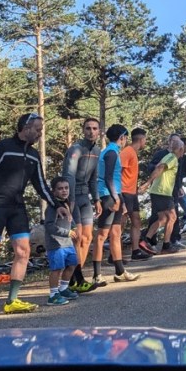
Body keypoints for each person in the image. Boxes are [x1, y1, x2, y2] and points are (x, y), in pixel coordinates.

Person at [0, 112, 68, 319]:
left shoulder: (34, 155)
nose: (40, 134)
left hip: (17, 208)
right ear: (26, 128)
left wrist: (57, 204)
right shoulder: (2, 148)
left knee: (24, 251)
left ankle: (12, 301)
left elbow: (40, 184)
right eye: (38, 129)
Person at [62, 118, 102, 292]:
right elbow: (68, 175)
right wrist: (69, 200)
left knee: (87, 238)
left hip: (85, 195)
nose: (91, 131)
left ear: (99, 131)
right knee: (76, 237)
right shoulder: (76, 149)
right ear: (83, 130)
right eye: (88, 128)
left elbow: (94, 178)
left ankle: (77, 278)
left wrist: (97, 199)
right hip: (73, 196)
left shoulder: (97, 151)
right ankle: (72, 279)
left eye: (94, 128)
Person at [95, 124, 139, 283]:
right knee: (102, 235)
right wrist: (116, 197)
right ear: (122, 137)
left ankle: (120, 271)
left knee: (115, 233)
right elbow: (108, 177)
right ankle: (96, 275)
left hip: (113, 194)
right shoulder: (112, 153)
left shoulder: (111, 151)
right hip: (108, 195)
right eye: (125, 137)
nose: (125, 140)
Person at [140, 135, 184, 254]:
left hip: (159, 191)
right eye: (183, 150)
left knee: (163, 218)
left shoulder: (169, 156)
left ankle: (145, 240)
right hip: (162, 192)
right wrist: (148, 183)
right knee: (172, 217)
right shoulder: (172, 158)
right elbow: (159, 168)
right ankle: (166, 245)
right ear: (180, 149)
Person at [42, 176, 80, 306]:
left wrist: (74, 226)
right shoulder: (52, 208)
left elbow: (70, 218)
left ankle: (63, 289)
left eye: (66, 188)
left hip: (67, 243)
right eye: (60, 189)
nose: (64, 191)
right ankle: (53, 295)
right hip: (56, 244)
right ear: (54, 192)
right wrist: (67, 232)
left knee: (72, 264)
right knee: (56, 269)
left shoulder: (66, 203)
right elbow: (49, 226)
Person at [121, 127, 151, 262]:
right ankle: (114, 255)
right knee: (121, 223)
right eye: (145, 140)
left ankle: (135, 251)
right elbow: (118, 171)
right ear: (141, 139)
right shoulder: (127, 152)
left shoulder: (133, 152)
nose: (146, 142)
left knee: (136, 220)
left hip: (132, 192)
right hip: (124, 192)